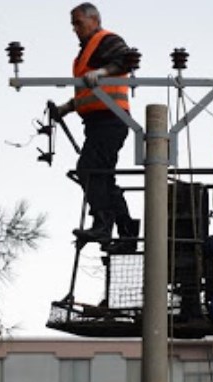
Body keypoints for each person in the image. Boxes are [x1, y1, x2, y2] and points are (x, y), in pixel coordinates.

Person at [56, 2, 138, 253]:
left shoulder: (106, 40)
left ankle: (103, 224)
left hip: (110, 120)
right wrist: (66, 108)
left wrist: (102, 72)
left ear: (94, 20)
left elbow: (125, 61)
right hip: (97, 123)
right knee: (103, 177)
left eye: (78, 22)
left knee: (88, 170)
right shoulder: (84, 54)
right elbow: (88, 93)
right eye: (73, 24)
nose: (74, 29)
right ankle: (127, 232)